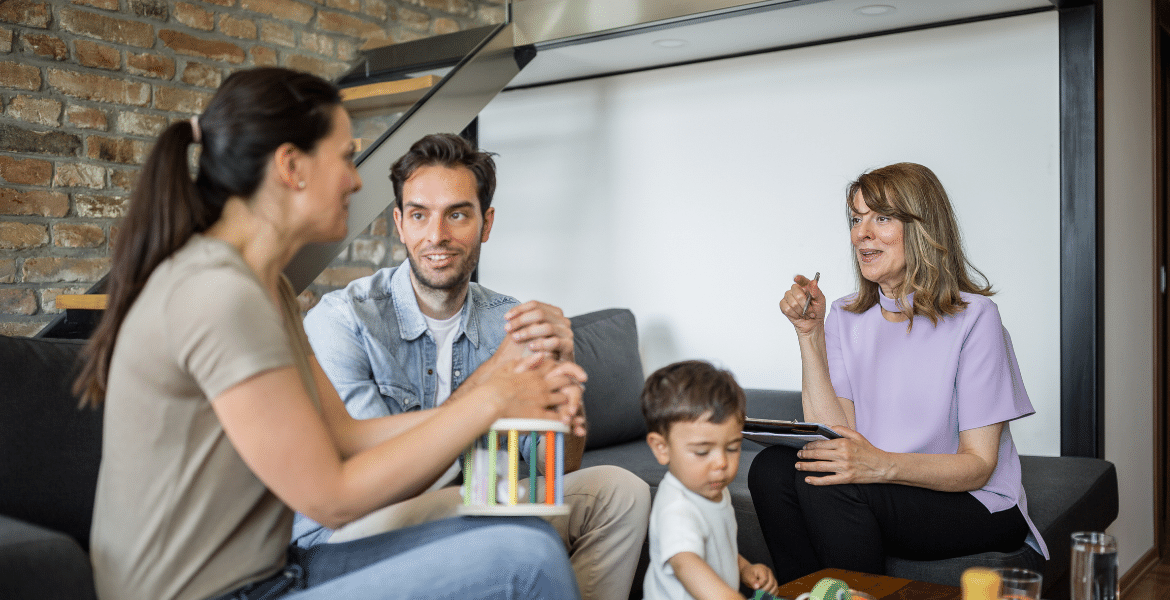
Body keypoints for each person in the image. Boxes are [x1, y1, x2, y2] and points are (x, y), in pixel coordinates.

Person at [74, 67, 585, 600]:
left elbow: (343, 437)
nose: (356, 178)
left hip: (271, 574)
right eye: (345, 156)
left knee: (522, 528)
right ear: (292, 166)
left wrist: (495, 395)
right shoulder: (218, 294)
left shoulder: (267, 289)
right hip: (218, 594)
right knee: (527, 559)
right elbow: (332, 499)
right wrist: (490, 402)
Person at [295, 133, 651, 600]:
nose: (436, 235)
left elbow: (554, 470)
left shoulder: (509, 320)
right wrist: (494, 388)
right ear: (400, 224)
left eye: (457, 214)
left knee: (621, 491)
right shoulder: (344, 319)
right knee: (502, 517)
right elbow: (375, 479)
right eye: (419, 215)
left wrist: (565, 395)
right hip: (359, 529)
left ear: (486, 223)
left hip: (476, 498)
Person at [747, 162, 1049, 582]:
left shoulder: (976, 319)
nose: (861, 233)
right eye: (856, 219)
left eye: (881, 218)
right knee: (774, 469)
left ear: (923, 228)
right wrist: (810, 334)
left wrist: (880, 465)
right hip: (882, 488)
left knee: (838, 485)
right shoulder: (845, 315)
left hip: (974, 501)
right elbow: (838, 434)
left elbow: (978, 465)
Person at [640, 360, 780, 600]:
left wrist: (744, 567)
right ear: (662, 448)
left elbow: (715, 548)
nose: (721, 463)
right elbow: (687, 564)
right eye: (703, 452)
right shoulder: (677, 509)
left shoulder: (712, 489)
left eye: (733, 448)